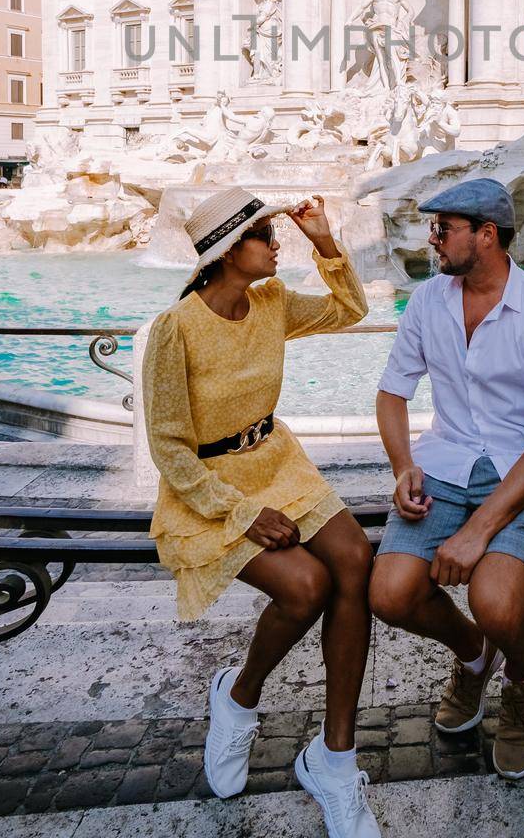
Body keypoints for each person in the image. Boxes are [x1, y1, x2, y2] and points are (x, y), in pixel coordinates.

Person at [142, 187, 381, 837]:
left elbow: (350, 308)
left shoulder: (272, 302)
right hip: (208, 487)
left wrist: (326, 240)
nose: (278, 245)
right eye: (265, 236)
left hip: (279, 462)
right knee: (307, 588)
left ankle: (334, 759)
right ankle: (238, 698)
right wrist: (240, 512)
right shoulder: (176, 328)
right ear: (227, 252)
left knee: (356, 560)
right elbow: (167, 446)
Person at [368, 177, 524, 781]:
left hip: (521, 471)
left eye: (443, 229)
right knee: (389, 594)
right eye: (432, 228)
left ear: (486, 236)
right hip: (443, 462)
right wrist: (403, 465)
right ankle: (471, 655)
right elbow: (392, 392)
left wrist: (478, 532)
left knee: (496, 602)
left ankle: (519, 680)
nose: (431, 240)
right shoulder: (427, 301)